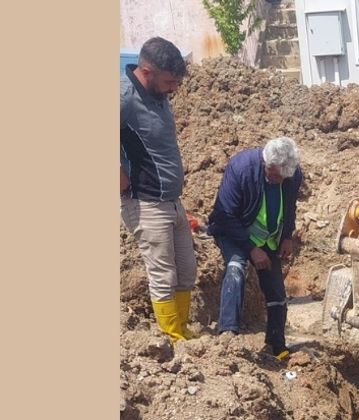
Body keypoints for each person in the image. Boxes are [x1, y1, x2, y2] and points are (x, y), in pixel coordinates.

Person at [120, 37, 196, 344]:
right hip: (146, 204)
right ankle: (173, 339)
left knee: (187, 271)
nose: (173, 89)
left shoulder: (159, 96)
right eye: (169, 81)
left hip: (172, 203)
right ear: (147, 71)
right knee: (163, 276)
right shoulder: (123, 97)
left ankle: (183, 328)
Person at [207, 137, 304, 361]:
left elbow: (289, 207)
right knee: (235, 269)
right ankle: (228, 335)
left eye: (282, 177)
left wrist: (287, 236)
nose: (277, 180)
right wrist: (251, 248)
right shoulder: (241, 168)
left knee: (277, 292)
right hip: (234, 231)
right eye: (273, 174)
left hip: (267, 239)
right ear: (265, 163)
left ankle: (276, 344)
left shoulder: (292, 175)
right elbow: (225, 215)